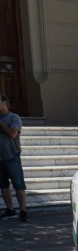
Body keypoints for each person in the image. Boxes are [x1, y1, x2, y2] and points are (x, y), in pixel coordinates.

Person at [0, 93, 28, 221]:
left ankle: (23, 211)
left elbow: (12, 134)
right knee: (3, 185)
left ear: (5, 102)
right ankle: (10, 209)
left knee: (18, 184)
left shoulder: (13, 118)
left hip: (12, 156)